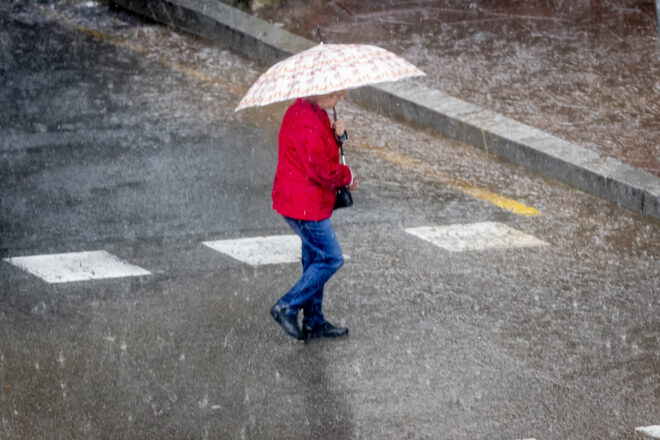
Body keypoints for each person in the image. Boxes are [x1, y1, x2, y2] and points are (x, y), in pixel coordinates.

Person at [269, 90, 357, 341]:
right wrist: (347, 175)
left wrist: (338, 136)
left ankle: (313, 321)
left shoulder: (313, 113)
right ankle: (287, 306)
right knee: (330, 258)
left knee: (314, 260)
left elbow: (322, 150)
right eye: (335, 94)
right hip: (303, 205)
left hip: (304, 202)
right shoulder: (306, 120)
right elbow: (321, 169)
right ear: (319, 91)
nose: (339, 99)